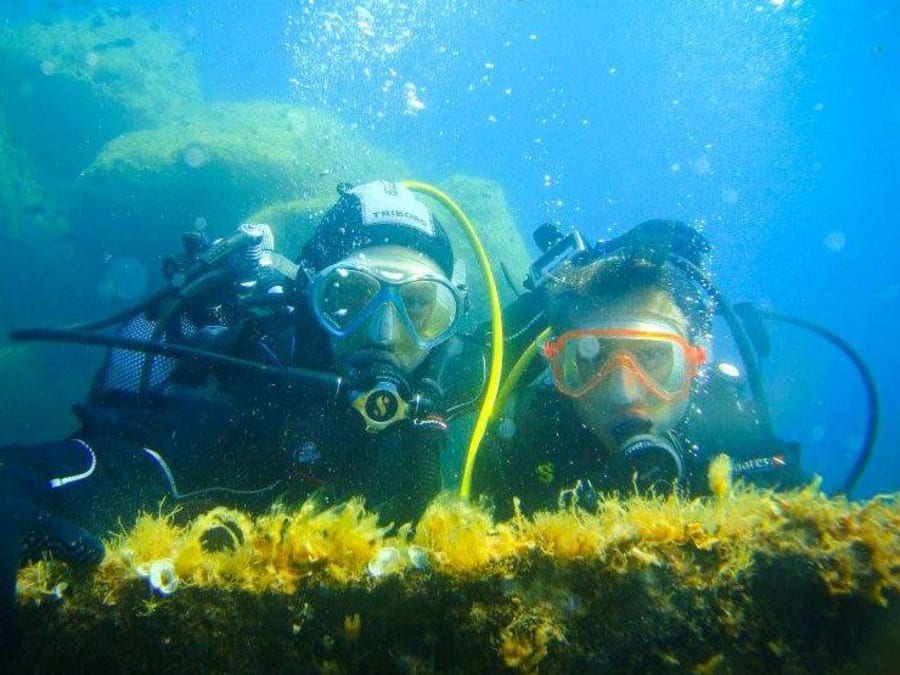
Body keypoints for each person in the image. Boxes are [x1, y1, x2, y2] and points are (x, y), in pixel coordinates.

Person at [0, 179, 475, 651]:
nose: (388, 334)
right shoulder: (244, 396)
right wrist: (19, 487)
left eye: (417, 304)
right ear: (310, 297)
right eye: (350, 296)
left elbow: (509, 342)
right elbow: (110, 462)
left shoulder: (440, 382)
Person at [477, 219, 806, 516]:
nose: (623, 393)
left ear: (695, 362)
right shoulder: (530, 439)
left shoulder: (735, 439)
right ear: (558, 362)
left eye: (652, 356)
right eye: (591, 357)